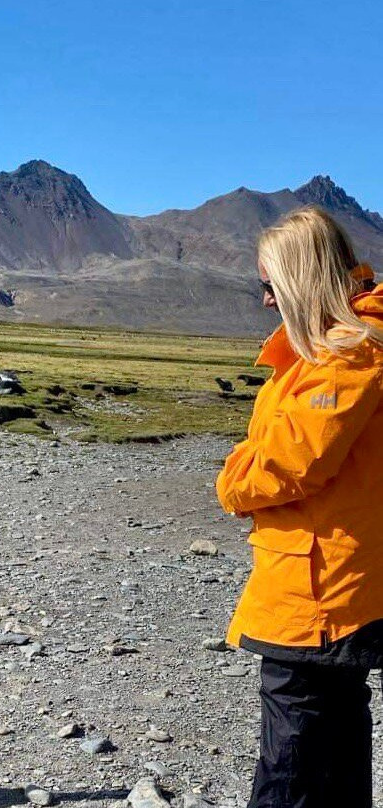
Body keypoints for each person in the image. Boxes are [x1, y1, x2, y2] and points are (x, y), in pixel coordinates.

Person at [215, 206, 383, 807]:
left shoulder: (347, 357)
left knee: (292, 765)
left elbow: (287, 463)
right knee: (332, 746)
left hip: (316, 593)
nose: (265, 302)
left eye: (269, 285)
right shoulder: (341, 352)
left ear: (299, 280)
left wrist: (232, 479)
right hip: (330, 584)